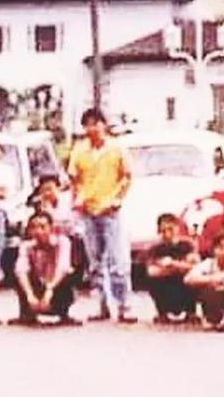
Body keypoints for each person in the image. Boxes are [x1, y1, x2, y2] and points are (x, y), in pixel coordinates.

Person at [67, 108, 136, 323]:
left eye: (96, 123)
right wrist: (77, 200)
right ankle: (102, 305)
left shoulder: (116, 148)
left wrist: (118, 199)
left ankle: (124, 306)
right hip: (89, 210)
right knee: (95, 262)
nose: (92, 128)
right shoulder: (80, 150)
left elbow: (127, 176)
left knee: (117, 260)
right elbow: (74, 179)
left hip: (110, 210)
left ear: (104, 125)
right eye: (88, 124)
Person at [10, 211, 80, 326]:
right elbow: (21, 270)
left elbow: (63, 267)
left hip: (54, 285)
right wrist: (29, 295)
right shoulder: (26, 246)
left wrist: (50, 289)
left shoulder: (62, 242)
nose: (38, 231)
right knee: (17, 273)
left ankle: (63, 313)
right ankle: (27, 314)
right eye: (33, 227)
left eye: (42, 227)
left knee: (68, 274)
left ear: (51, 228)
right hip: (38, 286)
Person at [145, 213, 199, 324]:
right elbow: (151, 272)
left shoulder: (188, 245)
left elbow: (196, 266)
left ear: (177, 228)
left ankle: (191, 312)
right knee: (152, 281)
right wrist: (180, 268)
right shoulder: (155, 249)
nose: (167, 233)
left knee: (193, 277)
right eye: (163, 230)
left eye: (170, 229)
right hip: (166, 286)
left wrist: (172, 264)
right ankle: (162, 313)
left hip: (184, 285)